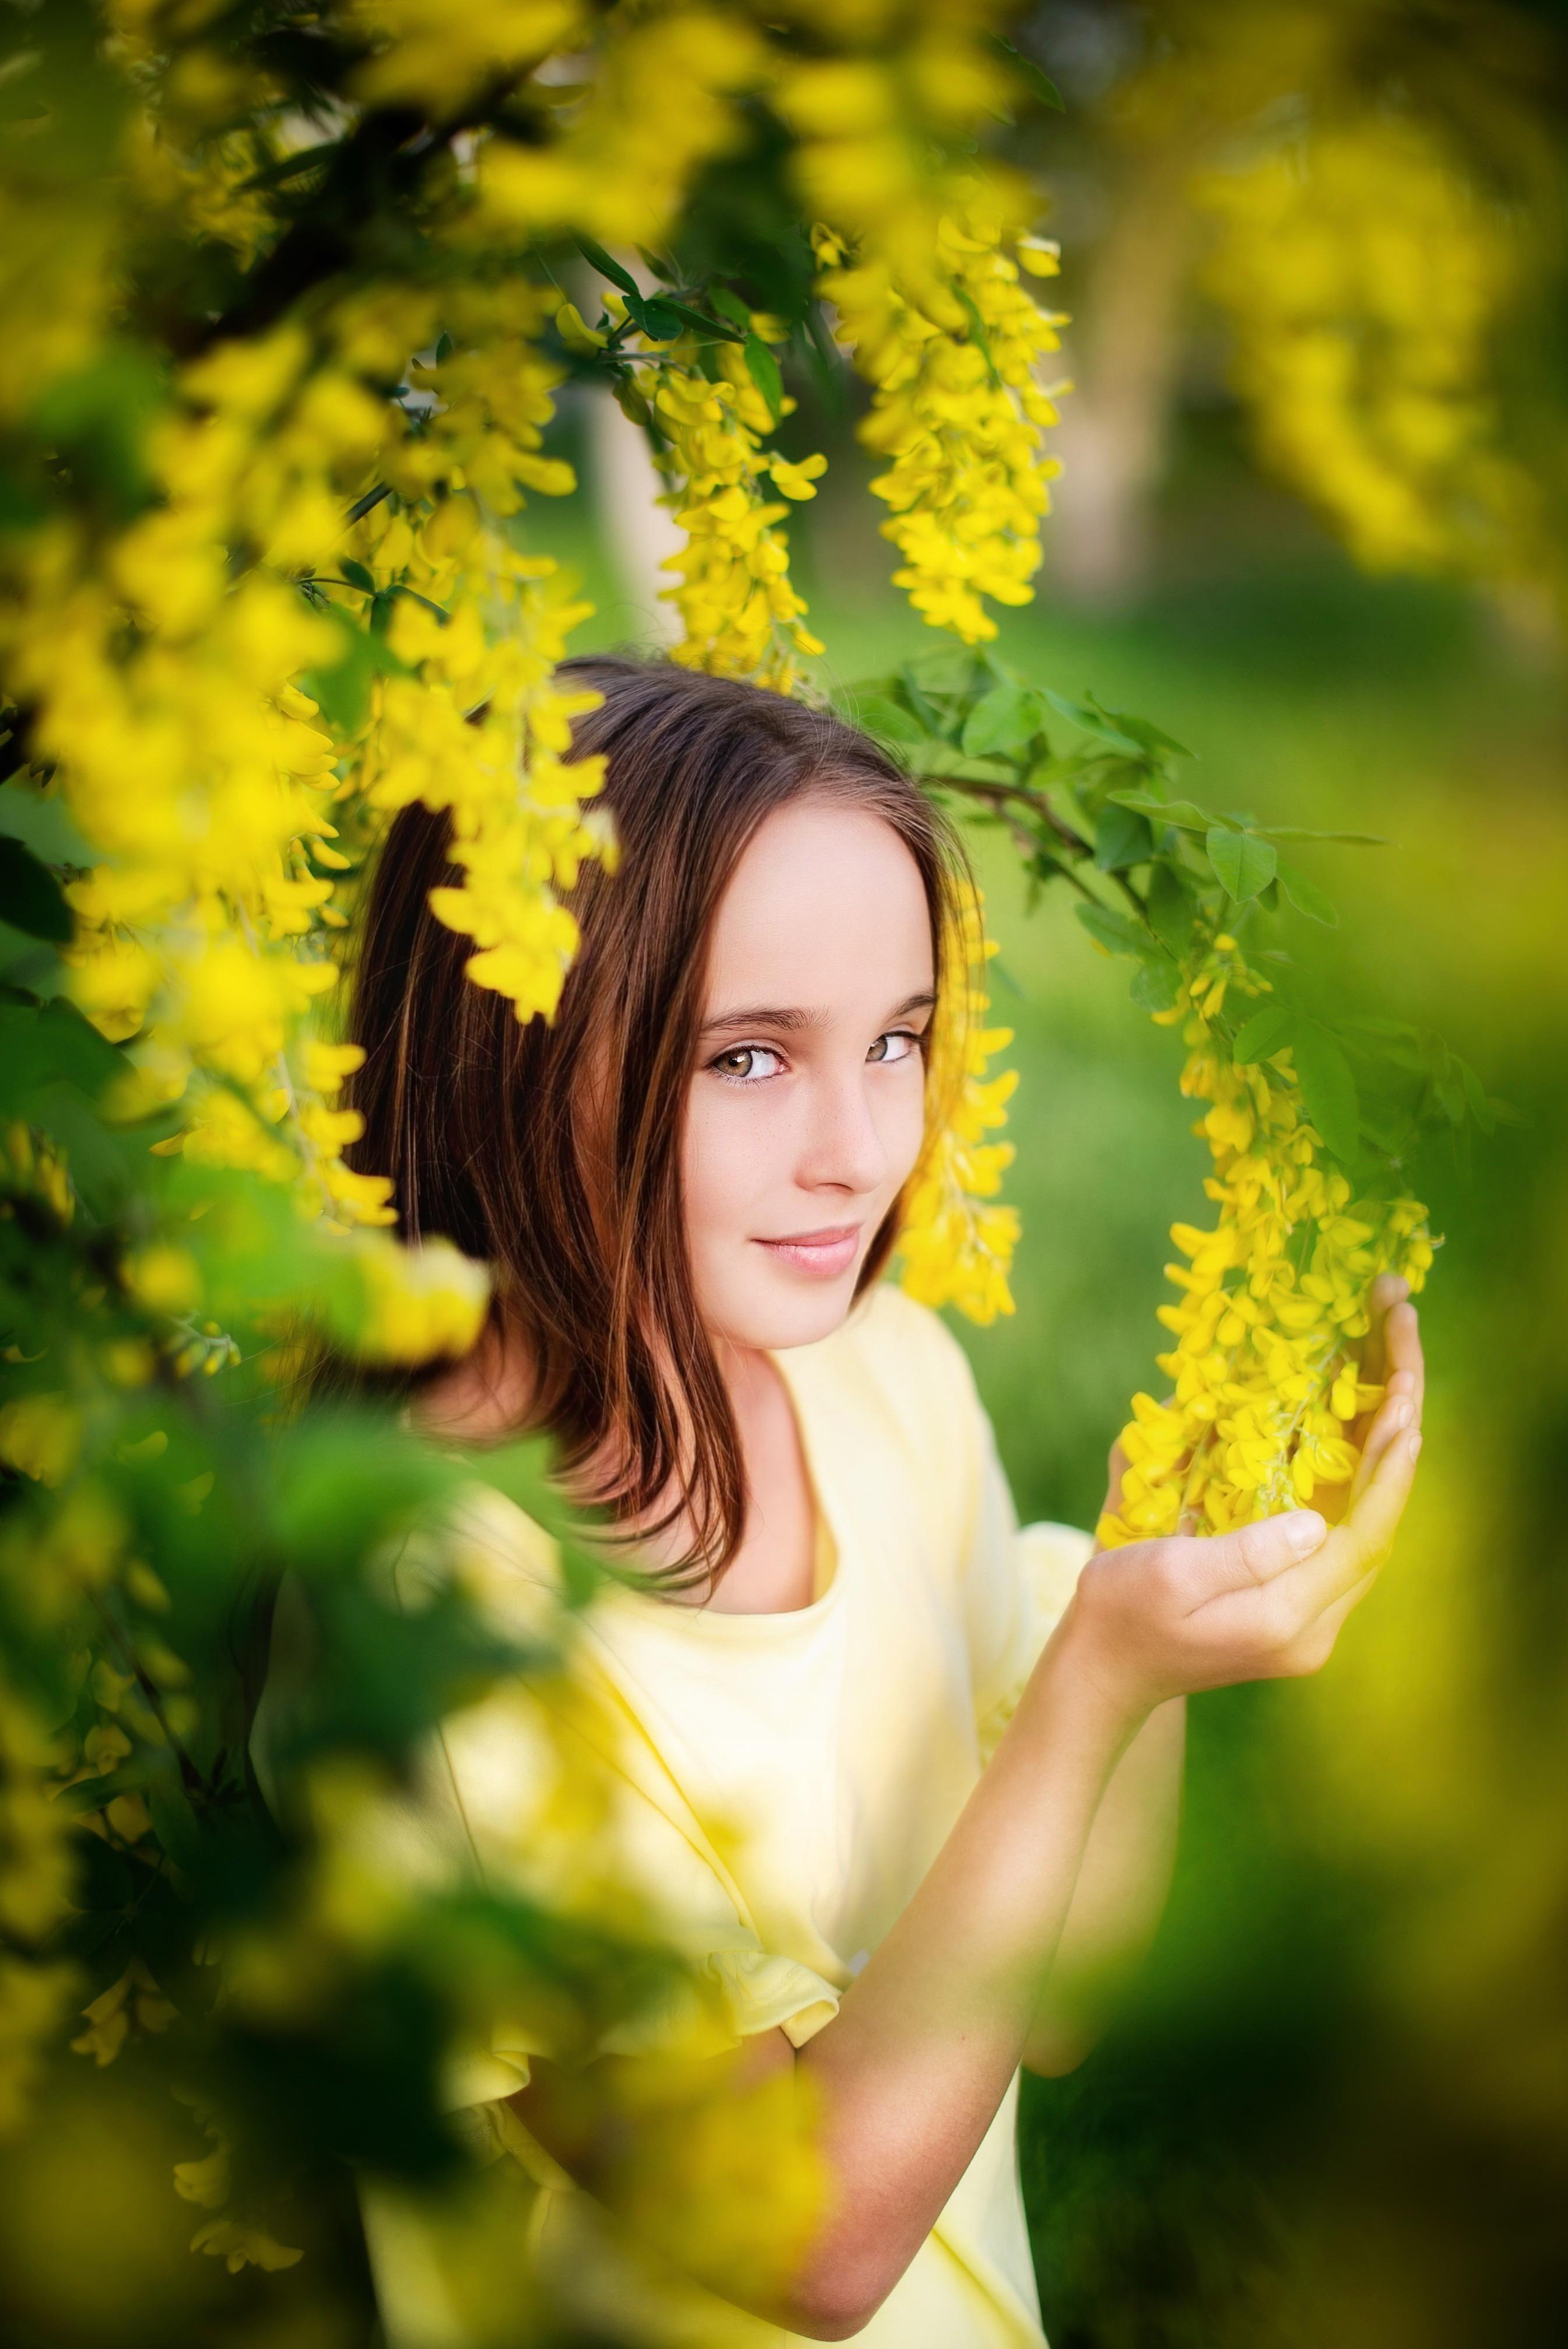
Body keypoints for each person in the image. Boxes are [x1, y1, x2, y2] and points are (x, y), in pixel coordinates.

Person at [299, 656, 1426, 2347]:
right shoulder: (438, 1611)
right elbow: (802, 2235)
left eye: (897, 1039)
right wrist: (1098, 1673)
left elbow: (1047, 1998)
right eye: (750, 1059)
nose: (861, 1143)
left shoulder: (881, 1378)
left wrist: (1149, 1607)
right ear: (506, 1047)